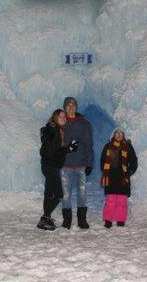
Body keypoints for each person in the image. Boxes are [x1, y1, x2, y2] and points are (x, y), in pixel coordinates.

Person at [37, 109, 78, 230]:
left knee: (49, 193)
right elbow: (53, 151)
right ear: (55, 117)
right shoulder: (54, 130)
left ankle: (46, 219)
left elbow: (54, 150)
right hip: (51, 166)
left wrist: (69, 148)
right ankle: (44, 218)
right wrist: (68, 149)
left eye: (64, 117)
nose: (63, 118)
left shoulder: (54, 129)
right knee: (59, 194)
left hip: (49, 166)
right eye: (60, 116)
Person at [60, 97, 93, 229]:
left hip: (81, 165)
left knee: (82, 192)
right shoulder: (61, 123)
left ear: (76, 107)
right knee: (65, 193)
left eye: (73, 104)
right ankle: (67, 220)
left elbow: (89, 144)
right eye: (68, 105)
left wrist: (89, 163)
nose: (71, 107)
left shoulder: (84, 124)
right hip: (65, 165)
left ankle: (82, 219)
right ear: (65, 107)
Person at [100, 128, 138, 228]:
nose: (118, 135)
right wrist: (105, 173)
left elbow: (134, 161)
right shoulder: (108, 147)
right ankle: (108, 220)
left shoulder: (128, 147)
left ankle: (120, 219)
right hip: (111, 178)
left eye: (120, 133)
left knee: (122, 200)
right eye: (116, 133)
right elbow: (102, 161)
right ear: (113, 135)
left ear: (123, 135)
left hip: (123, 178)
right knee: (110, 200)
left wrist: (129, 172)